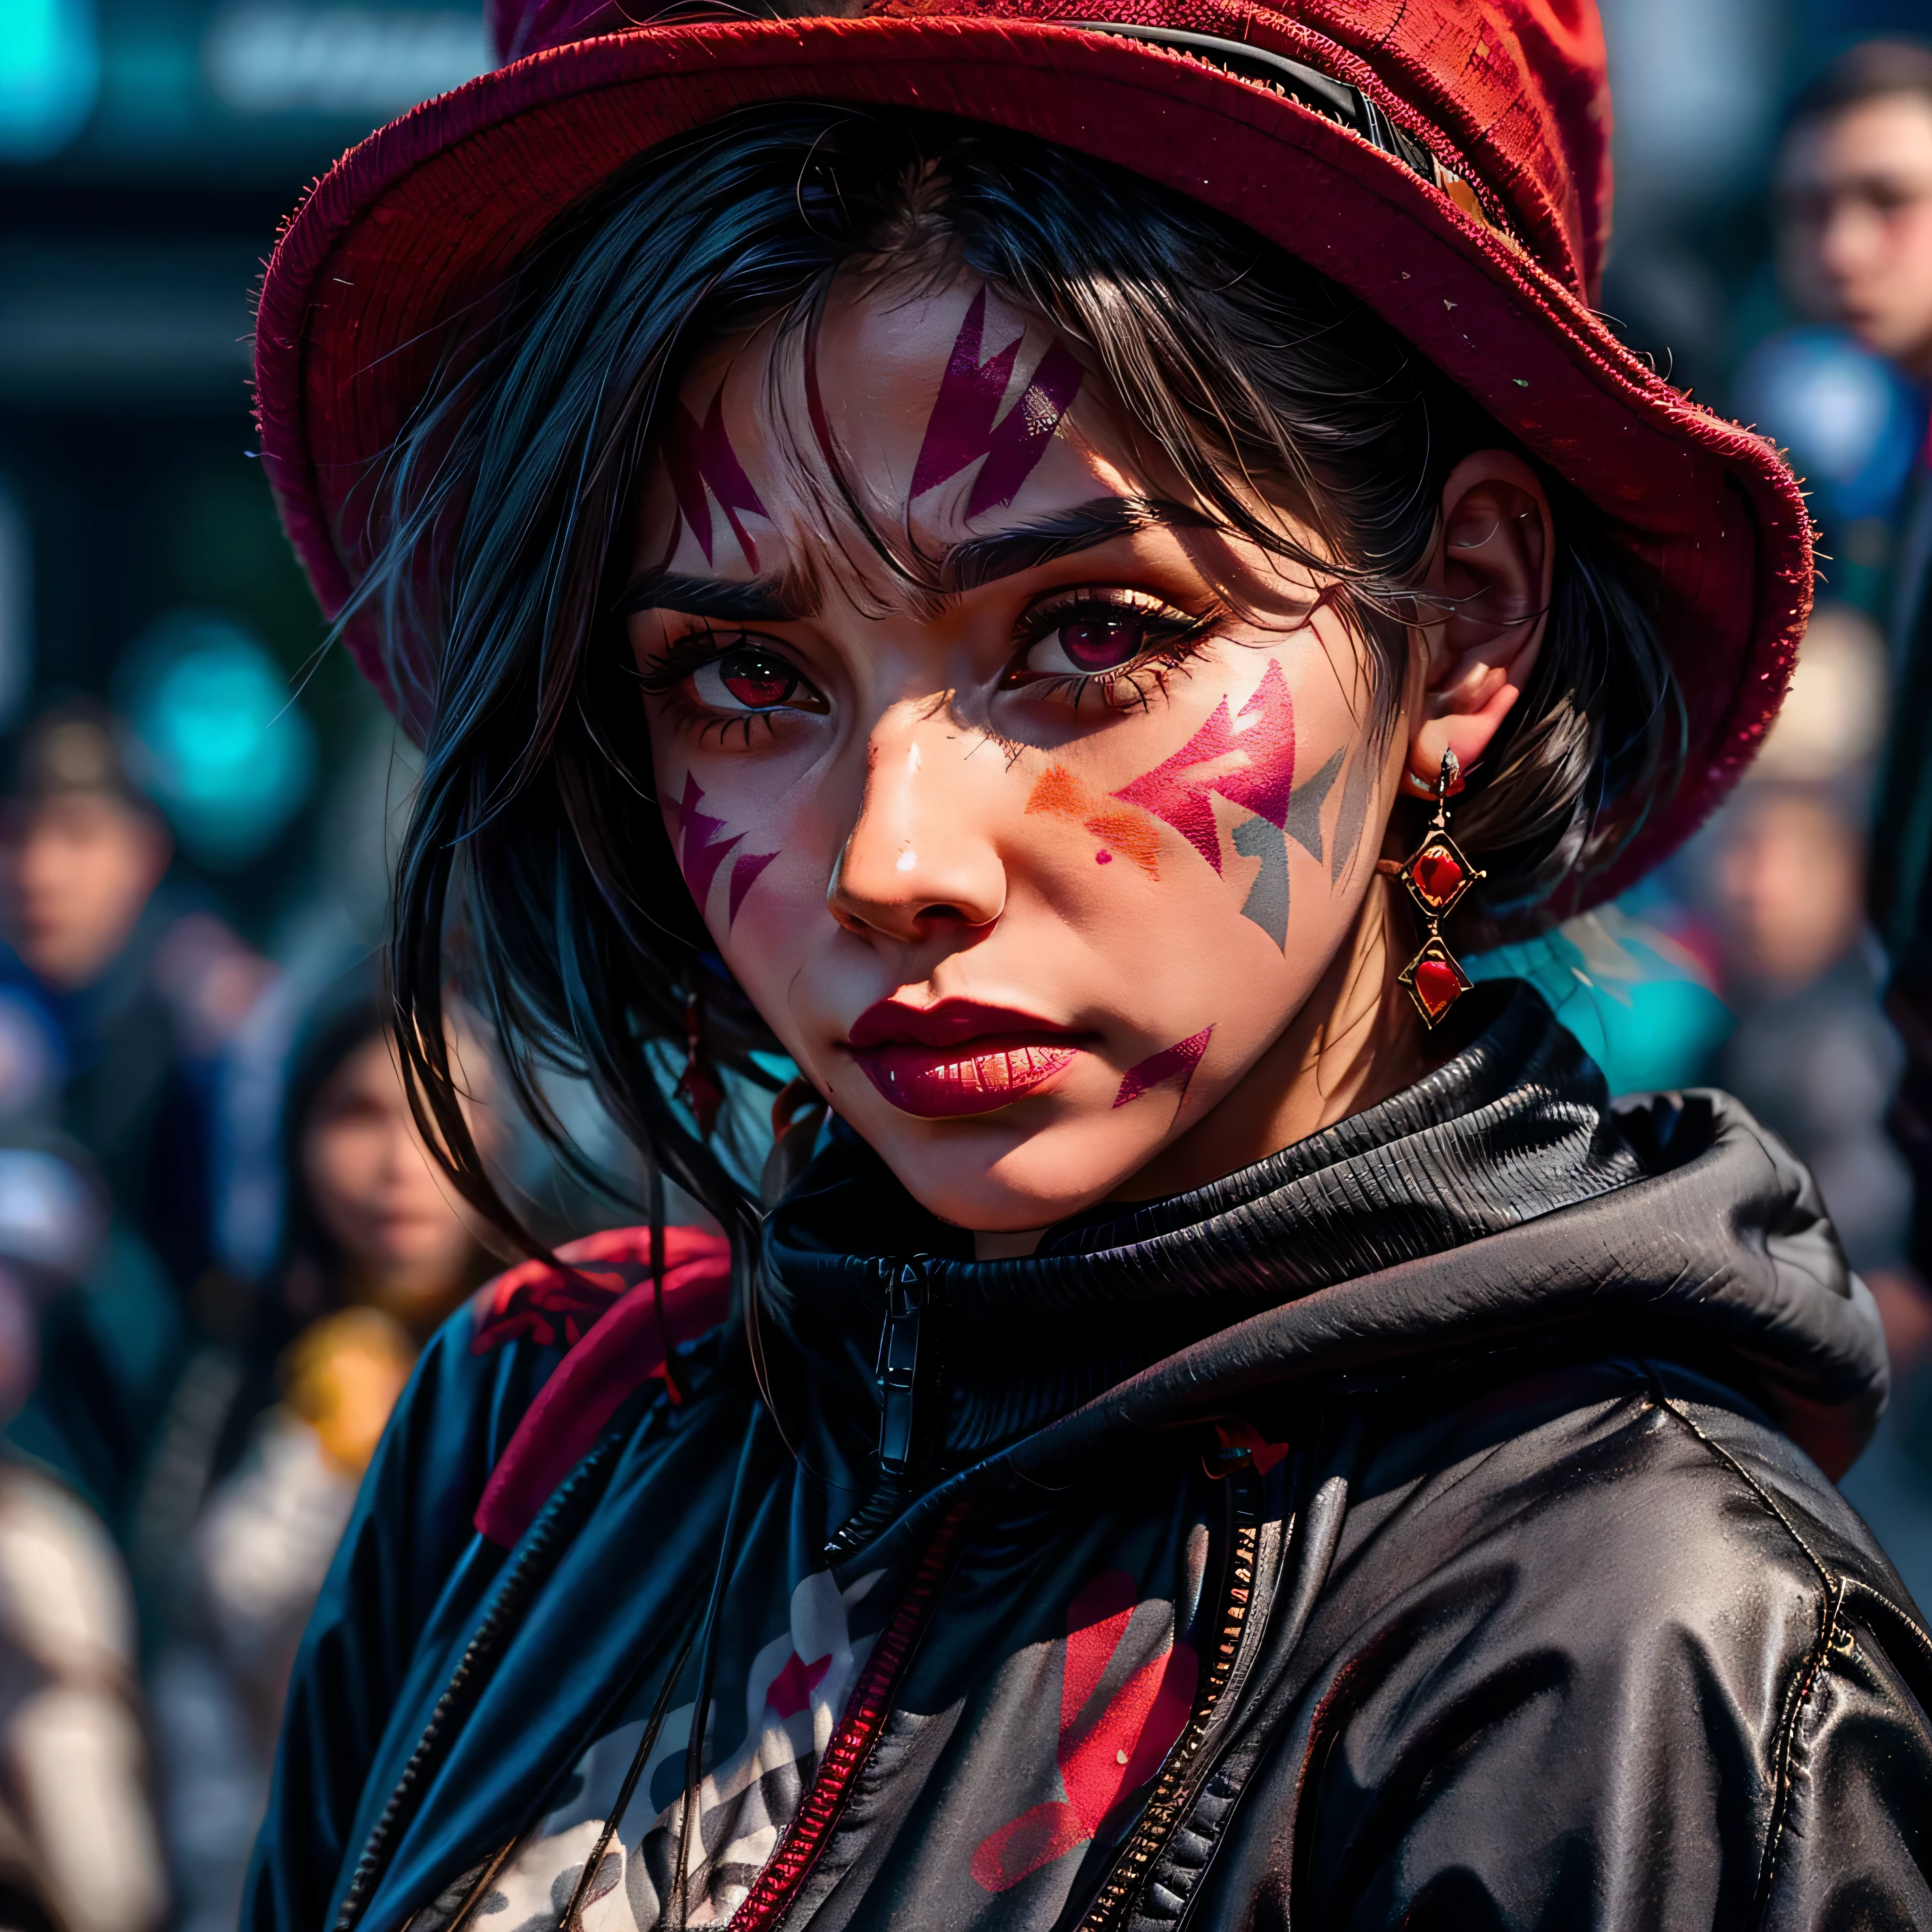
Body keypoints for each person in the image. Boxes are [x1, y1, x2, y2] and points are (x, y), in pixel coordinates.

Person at [245, 1, 1932, 1926]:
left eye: (1094, 634)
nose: (894, 859)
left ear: (1462, 621)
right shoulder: (531, 1448)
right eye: (743, 674)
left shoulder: (1639, 1663)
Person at [157, 983, 499, 1932]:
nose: (401, 1161)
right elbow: (182, 1628)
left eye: (446, 1110)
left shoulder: (576, 1363)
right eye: (359, 1114)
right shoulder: (235, 1356)